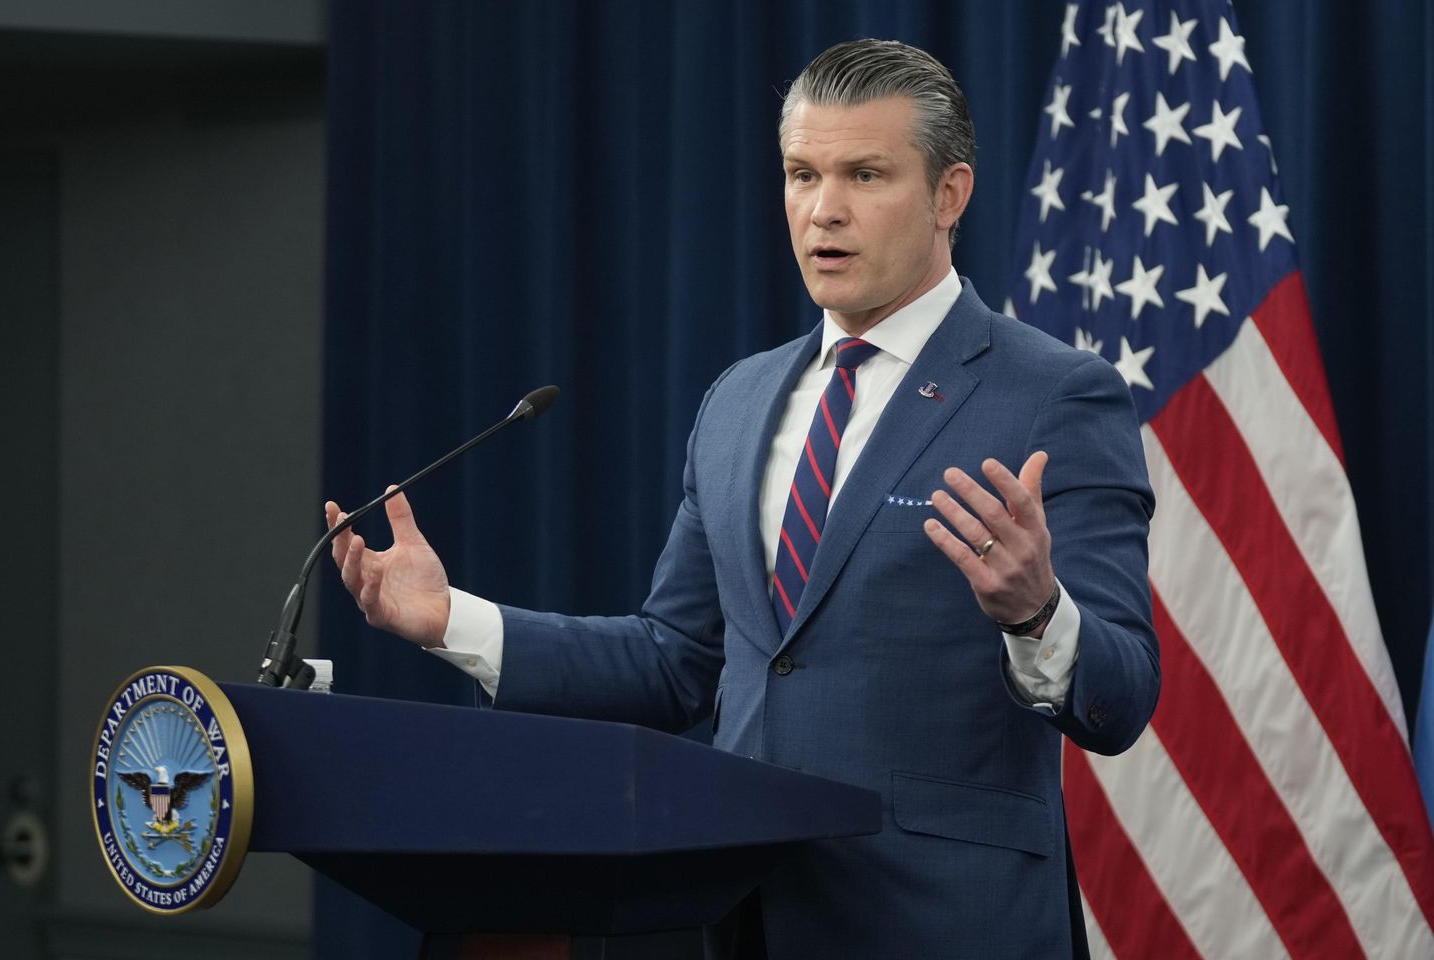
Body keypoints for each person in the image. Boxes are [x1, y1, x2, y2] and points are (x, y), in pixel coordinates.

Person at [327, 39, 1158, 959]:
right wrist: (451, 619)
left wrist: (1038, 613)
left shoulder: (1053, 395)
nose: (824, 209)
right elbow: (673, 662)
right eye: (802, 175)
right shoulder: (740, 400)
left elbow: (1122, 696)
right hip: (745, 919)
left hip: (948, 925)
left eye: (865, 175)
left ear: (948, 195)